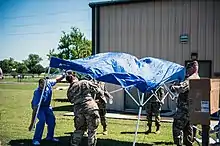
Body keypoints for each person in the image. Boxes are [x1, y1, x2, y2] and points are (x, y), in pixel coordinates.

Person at [66, 72, 105, 146]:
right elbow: (98, 90)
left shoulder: (69, 90)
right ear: (74, 77)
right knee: (92, 131)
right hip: (90, 108)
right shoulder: (84, 82)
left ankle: (74, 144)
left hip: (78, 110)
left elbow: (71, 100)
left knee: (79, 130)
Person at [28, 73, 65, 145]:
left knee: (52, 121)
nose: (43, 88)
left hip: (47, 107)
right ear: (39, 85)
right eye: (42, 86)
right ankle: (36, 139)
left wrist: (64, 75)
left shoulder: (49, 83)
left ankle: (50, 137)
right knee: (42, 120)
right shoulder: (37, 93)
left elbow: (57, 79)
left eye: (45, 86)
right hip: (39, 108)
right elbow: (35, 109)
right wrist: (32, 123)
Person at [171, 61, 200, 146]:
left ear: (192, 68)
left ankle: (179, 144)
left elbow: (181, 88)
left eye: (188, 69)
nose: (187, 71)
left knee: (177, 126)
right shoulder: (198, 78)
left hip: (184, 109)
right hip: (192, 108)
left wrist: (173, 87)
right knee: (188, 128)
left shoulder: (190, 79)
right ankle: (188, 144)